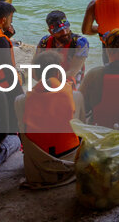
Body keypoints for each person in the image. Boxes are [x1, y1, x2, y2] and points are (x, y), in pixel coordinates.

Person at [15, 51, 85, 188]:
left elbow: (22, 132)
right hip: (70, 160)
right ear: (59, 73)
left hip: (39, 165)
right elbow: (82, 128)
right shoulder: (76, 96)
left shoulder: (21, 101)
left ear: (36, 75)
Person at [36, 10, 91, 85]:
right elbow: (35, 68)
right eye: (60, 31)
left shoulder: (80, 43)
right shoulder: (44, 42)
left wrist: (50, 82)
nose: (65, 32)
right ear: (51, 32)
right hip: (48, 83)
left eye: (66, 28)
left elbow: (73, 72)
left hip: (71, 85)